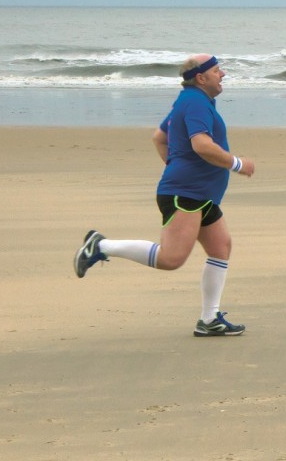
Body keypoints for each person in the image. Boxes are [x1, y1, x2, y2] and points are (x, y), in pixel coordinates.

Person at [73, 53, 255, 336]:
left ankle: (209, 320)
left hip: (201, 195)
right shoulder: (195, 102)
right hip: (186, 194)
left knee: (221, 247)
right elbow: (201, 145)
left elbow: (159, 137)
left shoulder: (192, 100)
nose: (223, 75)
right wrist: (237, 164)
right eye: (217, 70)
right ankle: (101, 246)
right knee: (171, 259)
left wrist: (175, 164)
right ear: (201, 77)